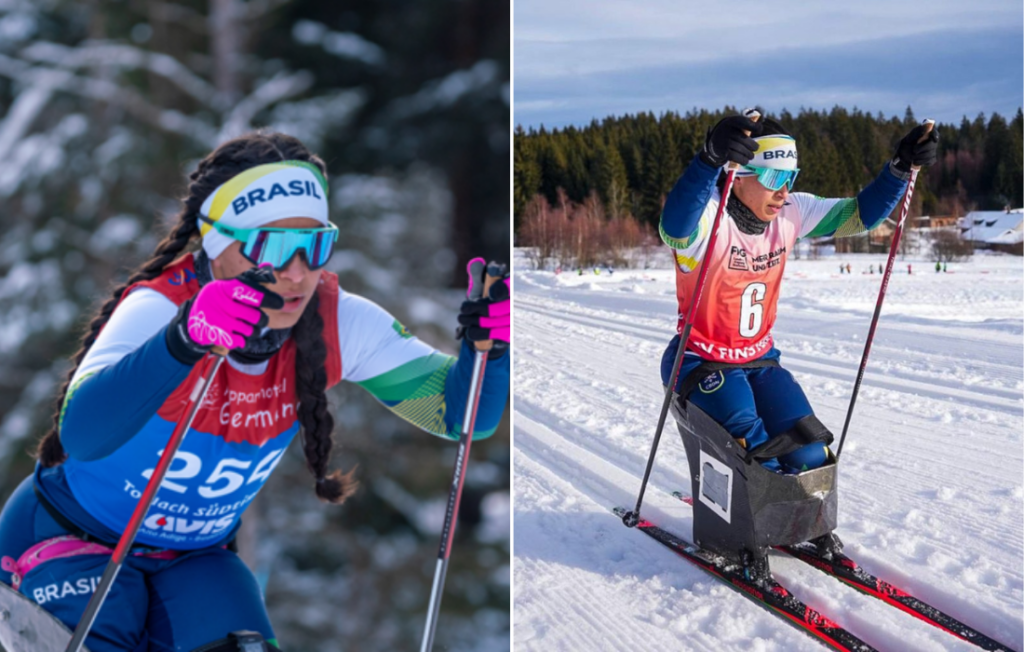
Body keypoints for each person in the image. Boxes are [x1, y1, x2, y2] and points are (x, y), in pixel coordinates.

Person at [0, 132, 511, 652]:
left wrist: (487, 352)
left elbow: (460, 416)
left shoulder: (336, 321)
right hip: (69, 539)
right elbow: (82, 434)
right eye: (273, 247)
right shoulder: (159, 308)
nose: (297, 274)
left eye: (315, 246)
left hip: (194, 559)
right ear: (216, 243)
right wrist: (182, 341)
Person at [659, 111, 937, 475]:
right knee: (758, 459)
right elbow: (675, 228)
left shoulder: (792, 211)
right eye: (774, 177)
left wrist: (900, 169)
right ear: (738, 175)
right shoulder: (710, 214)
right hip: (700, 360)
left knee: (811, 455)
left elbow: (860, 216)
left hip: (761, 360)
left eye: (790, 177)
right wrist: (709, 159)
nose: (783, 192)